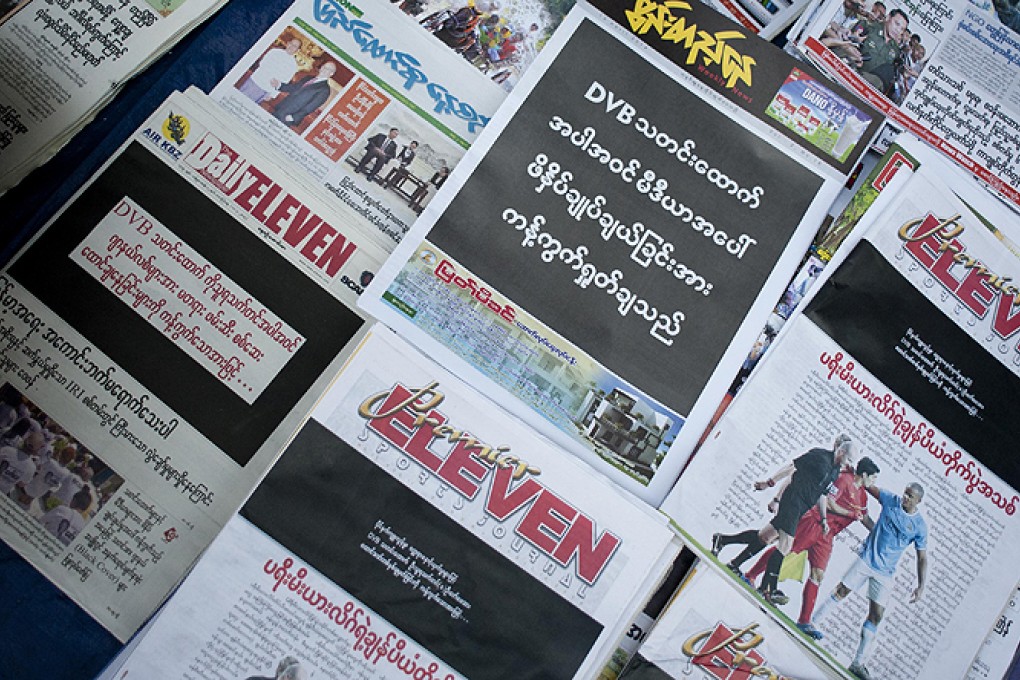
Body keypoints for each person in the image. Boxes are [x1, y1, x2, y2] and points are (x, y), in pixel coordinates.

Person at [744, 457, 880, 638]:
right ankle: (750, 575)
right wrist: (849, 513)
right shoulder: (843, 480)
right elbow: (828, 502)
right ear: (864, 475)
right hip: (814, 523)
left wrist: (880, 533)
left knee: (818, 574)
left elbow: (864, 518)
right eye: (873, 478)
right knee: (785, 550)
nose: (874, 482)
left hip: (827, 536)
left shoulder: (862, 495)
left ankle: (804, 621)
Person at [711, 434, 856, 604]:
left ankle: (724, 544)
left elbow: (822, 494)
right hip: (793, 499)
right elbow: (791, 468)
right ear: (840, 452)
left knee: (765, 537)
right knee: (785, 545)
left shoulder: (835, 471)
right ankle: (770, 589)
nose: (847, 464)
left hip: (802, 507)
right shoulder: (818, 456)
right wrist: (769, 483)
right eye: (847, 459)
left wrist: (824, 519)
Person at [812, 483, 928, 680]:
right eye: (905, 492)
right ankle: (811, 623)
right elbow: (868, 486)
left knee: (876, 615)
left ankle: (857, 663)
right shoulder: (891, 500)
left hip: (885, 573)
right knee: (841, 591)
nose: (905, 497)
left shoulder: (919, 526)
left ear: (918, 501)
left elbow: (922, 557)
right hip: (866, 559)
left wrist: (921, 585)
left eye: (910, 496)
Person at [272, 61, 337, 127]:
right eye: (324, 66)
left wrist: (294, 117)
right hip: (282, 107)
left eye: (328, 69)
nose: (324, 69)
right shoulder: (308, 77)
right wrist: (279, 85)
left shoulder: (325, 89)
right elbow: (294, 88)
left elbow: (311, 107)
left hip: (289, 116)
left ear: (331, 73)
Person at [239, 38, 302, 104]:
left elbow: (284, 82)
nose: (291, 47)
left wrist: (272, 95)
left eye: (295, 46)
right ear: (288, 43)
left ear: (297, 50)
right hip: (255, 82)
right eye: (291, 44)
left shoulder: (293, 66)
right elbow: (262, 64)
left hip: (267, 90)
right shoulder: (274, 51)